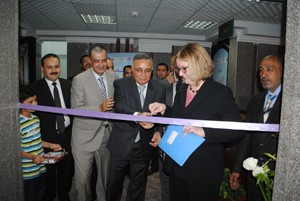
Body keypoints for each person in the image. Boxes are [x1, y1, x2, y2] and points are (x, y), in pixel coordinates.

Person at [149, 43, 245, 201]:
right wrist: (165, 109)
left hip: (202, 171)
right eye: (179, 69)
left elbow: (236, 130)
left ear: (199, 65)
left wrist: (204, 131)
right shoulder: (182, 87)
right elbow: (181, 118)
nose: (180, 74)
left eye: (184, 69)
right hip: (177, 165)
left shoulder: (220, 93)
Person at [106, 53, 166, 201]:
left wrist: (158, 132)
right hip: (121, 143)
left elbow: (160, 115)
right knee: (114, 182)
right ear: (132, 70)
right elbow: (119, 106)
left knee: (138, 184)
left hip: (144, 144)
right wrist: (138, 115)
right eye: (139, 70)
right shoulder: (121, 84)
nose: (143, 74)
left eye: (147, 70)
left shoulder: (159, 87)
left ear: (152, 70)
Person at [230, 55, 283, 201]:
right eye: (261, 70)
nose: (264, 75)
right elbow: (248, 135)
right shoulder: (255, 101)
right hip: (253, 175)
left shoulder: (290, 101)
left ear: (282, 71)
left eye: (269, 69)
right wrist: (237, 169)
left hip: (278, 176)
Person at [71, 44, 118, 201]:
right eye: (97, 61)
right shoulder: (80, 80)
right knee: (82, 181)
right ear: (90, 61)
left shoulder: (114, 77)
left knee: (104, 181)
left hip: (106, 135)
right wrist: (99, 108)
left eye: (104, 60)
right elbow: (76, 109)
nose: (101, 64)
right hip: (83, 138)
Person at [29, 53, 74, 201]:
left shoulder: (68, 85)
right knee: (48, 173)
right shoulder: (34, 88)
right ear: (42, 69)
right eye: (49, 67)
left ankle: (64, 195)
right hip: (46, 138)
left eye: (56, 66)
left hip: (66, 135)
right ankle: (49, 196)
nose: (54, 70)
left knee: (66, 171)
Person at [20, 86, 62, 201]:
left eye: (35, 100)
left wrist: (50, 145)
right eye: (30, 102)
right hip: (28, 171)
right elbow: (15, 150)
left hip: (41, 167)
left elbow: (37, 140)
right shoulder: (18, 123)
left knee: (41, 194)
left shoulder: (35, 118)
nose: (35, 104)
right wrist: (32, 157)